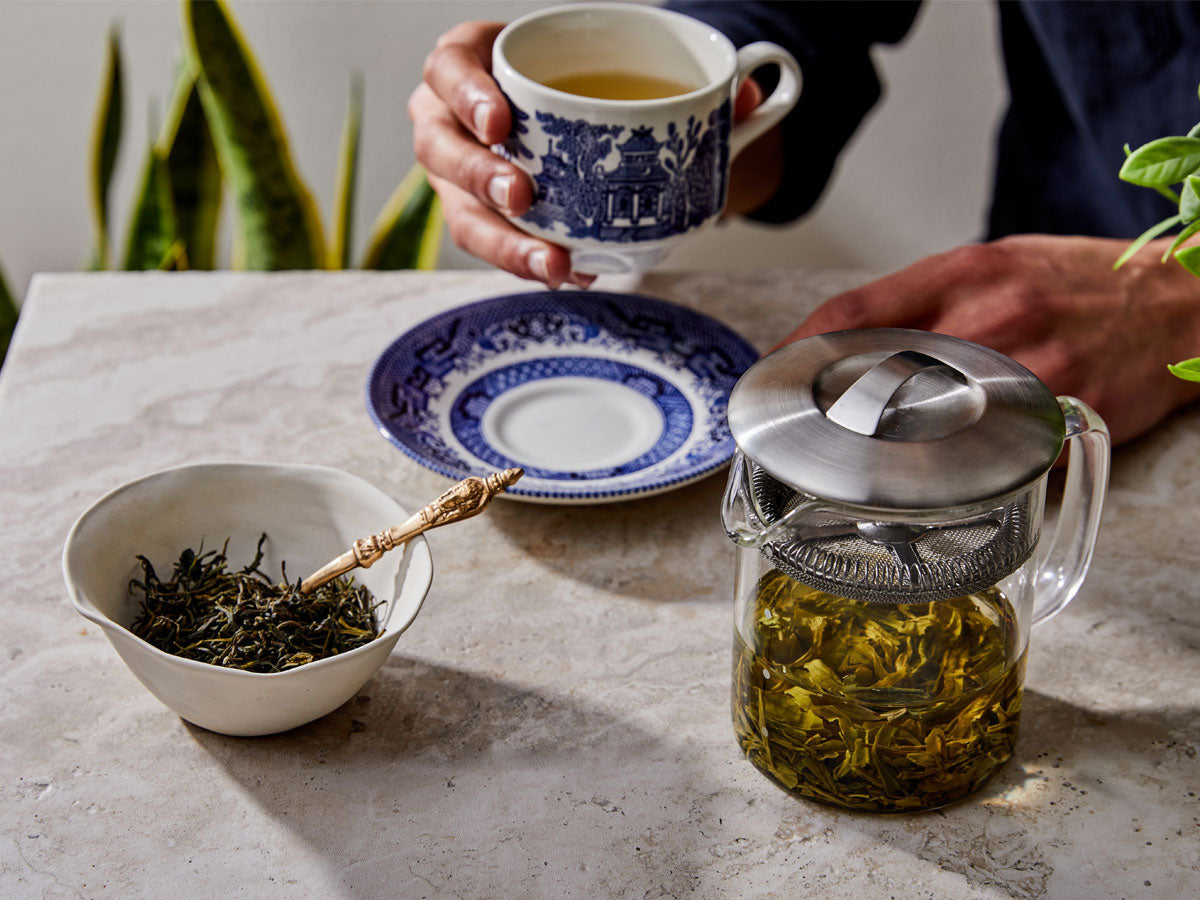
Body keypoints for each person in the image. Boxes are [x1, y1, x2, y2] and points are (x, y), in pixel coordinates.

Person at [409, 1, 1200, 447]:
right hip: (1038, 346)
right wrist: (665, 119)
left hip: (1088, 362)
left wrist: (1175, 300)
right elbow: (798, 25)